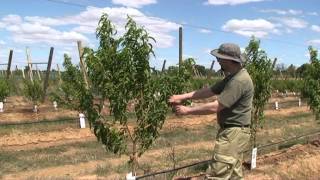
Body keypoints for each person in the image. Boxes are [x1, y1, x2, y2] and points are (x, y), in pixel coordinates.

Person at [169, 43, 253, 179]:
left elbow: (216, 106)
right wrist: (181, 96)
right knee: (233, 175)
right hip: (235, 132)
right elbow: (209, 91)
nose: (218, 61)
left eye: (220, 58)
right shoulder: (233, 77)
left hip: (234, 133)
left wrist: (187, 110)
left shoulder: (239, 81)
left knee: (217, 174)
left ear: (228, 60)